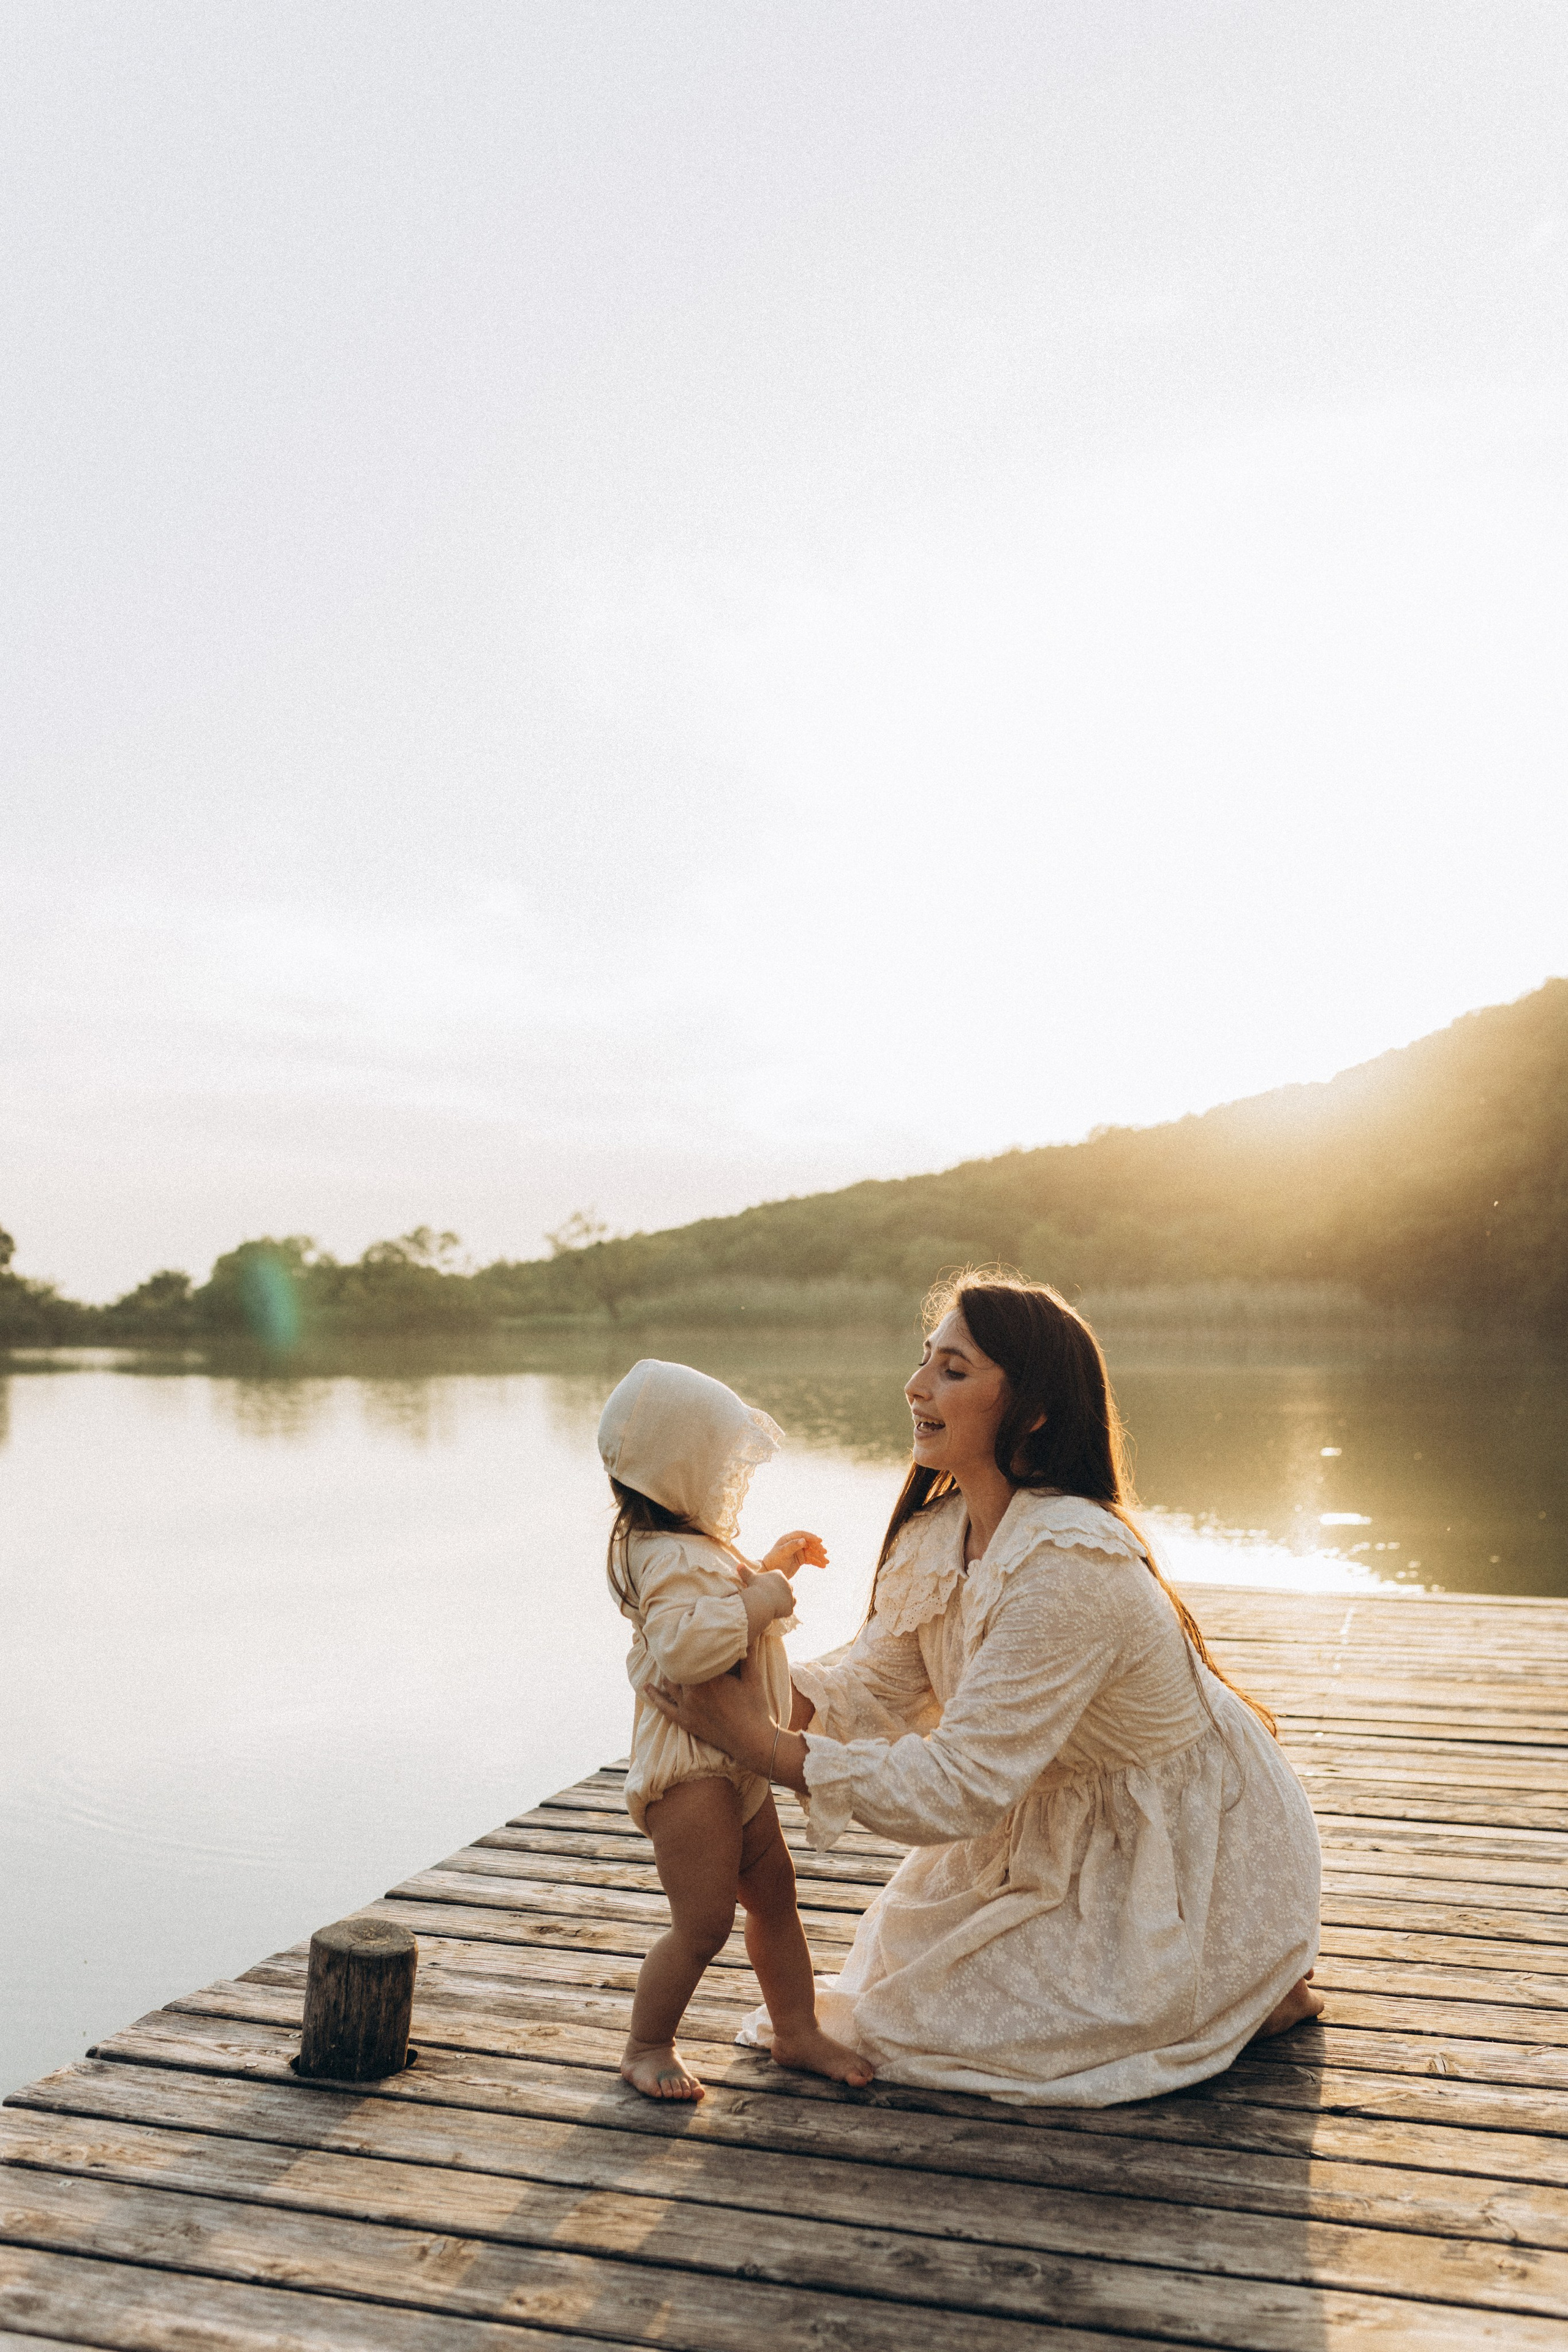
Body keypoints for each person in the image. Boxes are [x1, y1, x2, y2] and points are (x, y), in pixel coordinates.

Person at [644, 1277, 1324, 2107]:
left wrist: (759, 1745)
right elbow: (872, 1688)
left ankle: (1246, 1975)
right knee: (895, 2009)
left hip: (1177, 1842)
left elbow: (959, 1790)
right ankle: (1223, 1991)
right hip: (1040, 1816)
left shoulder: (1068, 1566)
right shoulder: (939, 1534)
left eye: (953, 1370)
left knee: (933, 2034)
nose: (917, 1386)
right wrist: (721, 1680)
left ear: (1033, 1410)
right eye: (924, 1361)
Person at [598, 1356, 875, 2100]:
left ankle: (796, 2028)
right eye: (721, 1466)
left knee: (776, 1898)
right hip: (691, 1775)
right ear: (680, 1469)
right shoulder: (661, 1557)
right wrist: (763, 1602)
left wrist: (766, 1569)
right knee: (703, 1924)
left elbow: (712, 1602)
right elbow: (687, 1649)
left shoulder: (683, 1548)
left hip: (734, 1762)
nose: (733, 1481)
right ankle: (646, 2044)